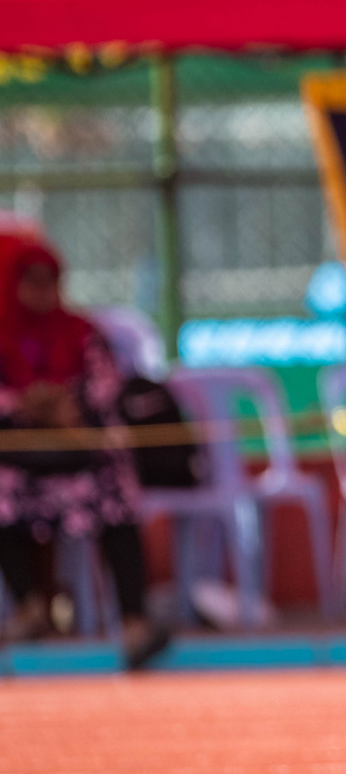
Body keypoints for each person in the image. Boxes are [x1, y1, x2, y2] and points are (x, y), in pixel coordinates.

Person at [0, 231, 170, 669]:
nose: (41, 291)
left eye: (48, 280)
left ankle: (135, 622)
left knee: (116, 493)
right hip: (21, 460)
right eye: (30, 280)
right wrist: (25, 404)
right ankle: (29, 608)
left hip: (80, 458)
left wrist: (65, 404)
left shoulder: (80, 332)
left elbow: (106, 389)